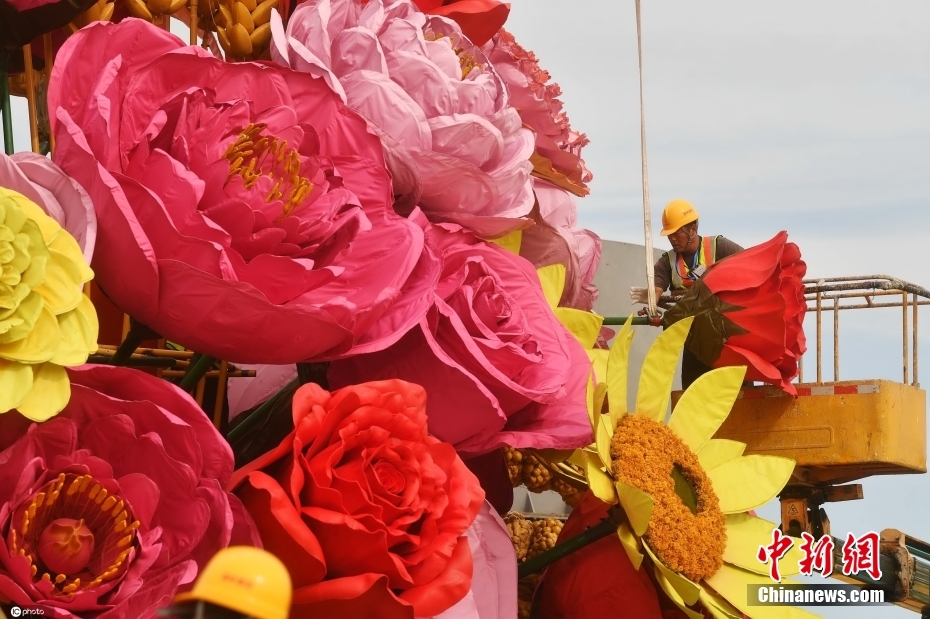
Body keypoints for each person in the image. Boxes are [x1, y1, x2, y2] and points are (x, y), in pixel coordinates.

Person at [630, 199, 744, 387]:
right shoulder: (667, 262)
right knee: (692, 391)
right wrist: (651, 300)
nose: (672, 239)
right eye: (669, 235)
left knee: (735, 389)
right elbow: (658, 288)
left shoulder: (720, 247)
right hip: (695, 339)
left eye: (677, 233)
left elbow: (749, 266)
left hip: (727, 335)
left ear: (692, 229)